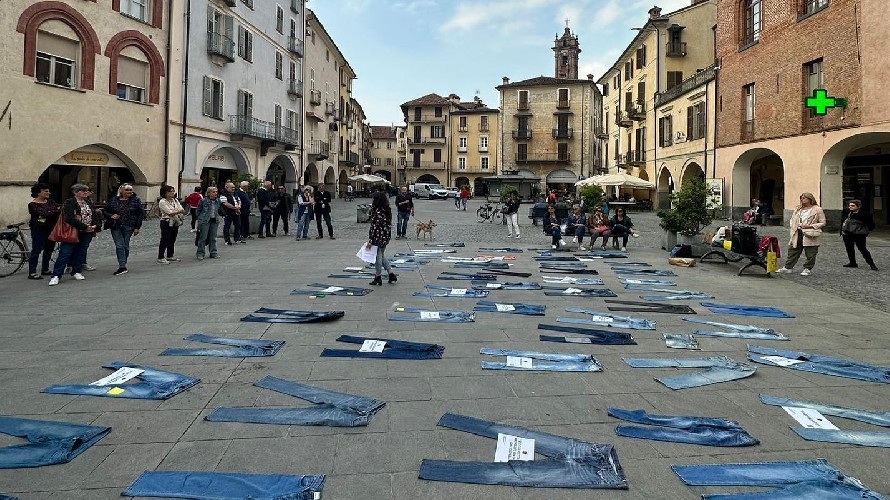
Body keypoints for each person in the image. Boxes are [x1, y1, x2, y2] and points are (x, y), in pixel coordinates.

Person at [48, 184, 98, 286]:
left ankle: (76, 270)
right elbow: (69, 218)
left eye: (86, 190)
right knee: (65, 253)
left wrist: (95, 225)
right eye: (83, 191)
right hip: (72, 231)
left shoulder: (88, 202)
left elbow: (94, 215)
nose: (85, 192)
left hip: (87, 232)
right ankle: (56, 275)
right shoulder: (69, 202)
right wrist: (84, 226)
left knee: (80, 252)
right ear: (76, 192)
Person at [776, 192, 826, 276]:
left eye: (804, 198)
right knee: (793, 249)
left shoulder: (817, 209)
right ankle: (788, 267)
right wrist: (794, 226)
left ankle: (807, 268)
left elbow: (822, 222)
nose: (802, 199)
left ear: (810, 199)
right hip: (797, 232)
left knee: (811, 251)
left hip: (810, 233)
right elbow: (792, 219)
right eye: (801, 198)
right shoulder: (798, 209)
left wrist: (810, 226)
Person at [104, 183, 144, 276]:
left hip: (129, 225)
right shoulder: (114, 200)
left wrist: (137, 227)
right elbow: (105, 210)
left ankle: (123, 262)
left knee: (125, 245)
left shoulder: (135, 200)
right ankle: (122, 266)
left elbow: (140, 214)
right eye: (127, 190)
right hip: (115, 225)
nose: (129, 191)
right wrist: (111, 216)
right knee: (119, 245)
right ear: (121, 191)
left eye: (130, 190)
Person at [26, 182, 60, 279]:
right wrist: (53, 211)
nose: (48, 193)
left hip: (51, 229)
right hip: (39, 230)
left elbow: (59, 210)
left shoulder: (51, 202)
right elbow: (44, 213)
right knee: (36, 250)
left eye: (49, 191)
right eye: (46, 191)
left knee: (49, 249)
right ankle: (32, 272)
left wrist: (51, 212)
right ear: (38, 192)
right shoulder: (32, 204)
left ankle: (45, 269)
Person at [366, 192, 397, 286]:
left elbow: (375, 226)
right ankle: (391, 274)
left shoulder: (378, 211)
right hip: (385, 235)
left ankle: (378, 276)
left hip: (378, 236)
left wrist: (370, 239)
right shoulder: (387, 210)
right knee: (381, 255)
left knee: (377, 256)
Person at [841, 199, 877, 271]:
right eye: (850, 205)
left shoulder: (865, 214)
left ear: (858, 206)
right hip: (847, 234)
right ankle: (852, 262)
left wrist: (866, 232)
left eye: (853, 206)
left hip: (859, 235)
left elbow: (871, 225)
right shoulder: (847, 212)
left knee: (862, 249)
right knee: (849, 249)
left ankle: (871, 264)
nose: (850, 207)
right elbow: (843, 222)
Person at [157, 185, 184, 264]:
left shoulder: (175, 200)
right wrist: (176, 210)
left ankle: (170, 255)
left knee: (172, 239)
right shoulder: (162, 201)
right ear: (165, 193)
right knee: (165, 239)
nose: (172, 193)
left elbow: (182, 209)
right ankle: (161, 257)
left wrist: (175, 210)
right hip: (166, 222)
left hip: (175, 221)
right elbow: (169, 212)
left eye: (173, 191)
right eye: (170, 191)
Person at [195, 186, 221, 260]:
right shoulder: (203, 201)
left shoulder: (218, 201)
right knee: (203, 237)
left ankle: (213, 252)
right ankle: (200, 253)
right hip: (205, 220)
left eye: (216, 192)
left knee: (213, 238)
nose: (215, 193)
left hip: (214, 220)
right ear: (209, 193)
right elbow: (198, 211)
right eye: (213, 192)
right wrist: (200, 219)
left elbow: (218, 209)